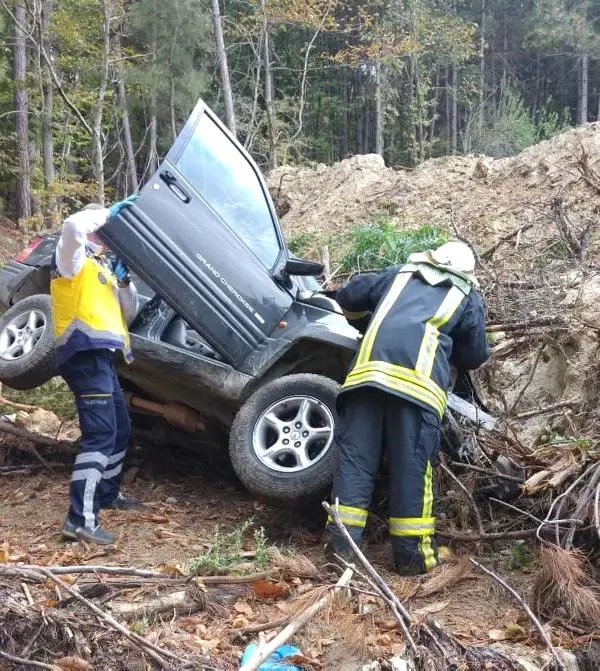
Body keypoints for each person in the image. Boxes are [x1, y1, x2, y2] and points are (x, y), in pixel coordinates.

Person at [326, 241, 490, 575]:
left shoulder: (398, 274)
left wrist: (365, 323)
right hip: (417, 393)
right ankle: (412, 559)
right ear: (466, 271)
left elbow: (350, 295)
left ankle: (342, 554)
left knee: (354, 468)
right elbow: (474, 356)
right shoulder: (466, 295)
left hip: (364, 383)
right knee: (412, 472)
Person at [51, 196, 141, 545]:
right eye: (103, 230)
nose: (106, 235)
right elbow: (74, 225)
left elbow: (128, 312)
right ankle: (79, 520)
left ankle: (106, 494)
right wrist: (107, 213)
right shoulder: (69, 260)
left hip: (101, 358)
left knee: (119, 429)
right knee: (100, 435)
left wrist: (123, 283)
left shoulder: (101, 268)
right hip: (82, 355)